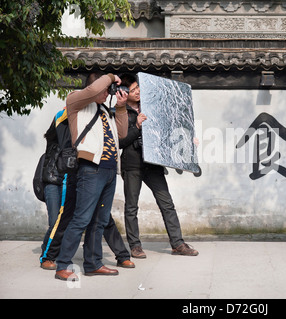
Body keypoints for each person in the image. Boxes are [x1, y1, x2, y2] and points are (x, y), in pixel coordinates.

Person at [55, 71, 129, 281]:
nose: (108, 94)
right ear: (96, 86)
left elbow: (122, 134)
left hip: (109, 170)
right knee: (81, 219)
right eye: (106, 90)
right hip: (90, 168)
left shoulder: (105, 109)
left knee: (99, 220)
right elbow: (95, 90)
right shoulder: (76, 101)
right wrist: (111, 76)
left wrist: (121, 107)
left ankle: (93, 263)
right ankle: (63, 265)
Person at [40, 108, 134, 271]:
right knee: (66, 217)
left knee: (103, 218)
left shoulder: (98, 116)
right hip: (64, 175)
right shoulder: (69, 111)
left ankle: (120, 256)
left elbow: (119, 135)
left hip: (89, 173)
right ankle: (48, 256)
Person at [118, 73, 198, 258]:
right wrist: (136, 127)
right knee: (132, 207)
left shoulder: (152, 105)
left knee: (167, 203)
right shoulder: (120, 112)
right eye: (132, 90)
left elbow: (169, 128)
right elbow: (120, 142)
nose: (137, 92)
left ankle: (177, 243)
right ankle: (135, 246)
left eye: (138, 87)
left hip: (153, 164)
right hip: (132, 164)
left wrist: (186, 138)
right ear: (123, 92)